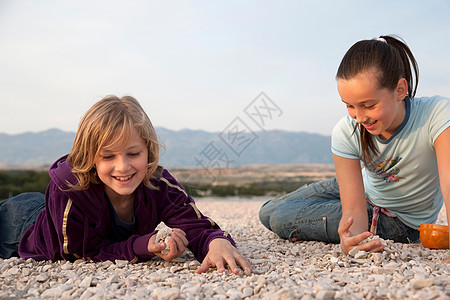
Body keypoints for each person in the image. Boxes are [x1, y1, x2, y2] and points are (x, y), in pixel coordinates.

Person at [0, 95, 252, 274]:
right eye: (108, 156)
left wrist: (216, 241)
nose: (123, 167)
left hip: (41, 208)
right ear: (90, 157)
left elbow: (196, 225)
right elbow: (79, 253)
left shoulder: (157, 185)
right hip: (23, 224)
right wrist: (142, 246)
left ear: (148, 151)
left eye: (133, 154)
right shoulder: (68, 192)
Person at [259, 35, 450, 262]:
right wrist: (350, 238)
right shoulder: (345, 131)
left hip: (398, 219)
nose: (359, 117)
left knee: (280, 218)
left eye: (369, 105)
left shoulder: (437, 114)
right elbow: (354, 211)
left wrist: (355, 236)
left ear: (400, 90)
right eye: (349, 106)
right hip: (363, 191)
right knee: (267, 211)